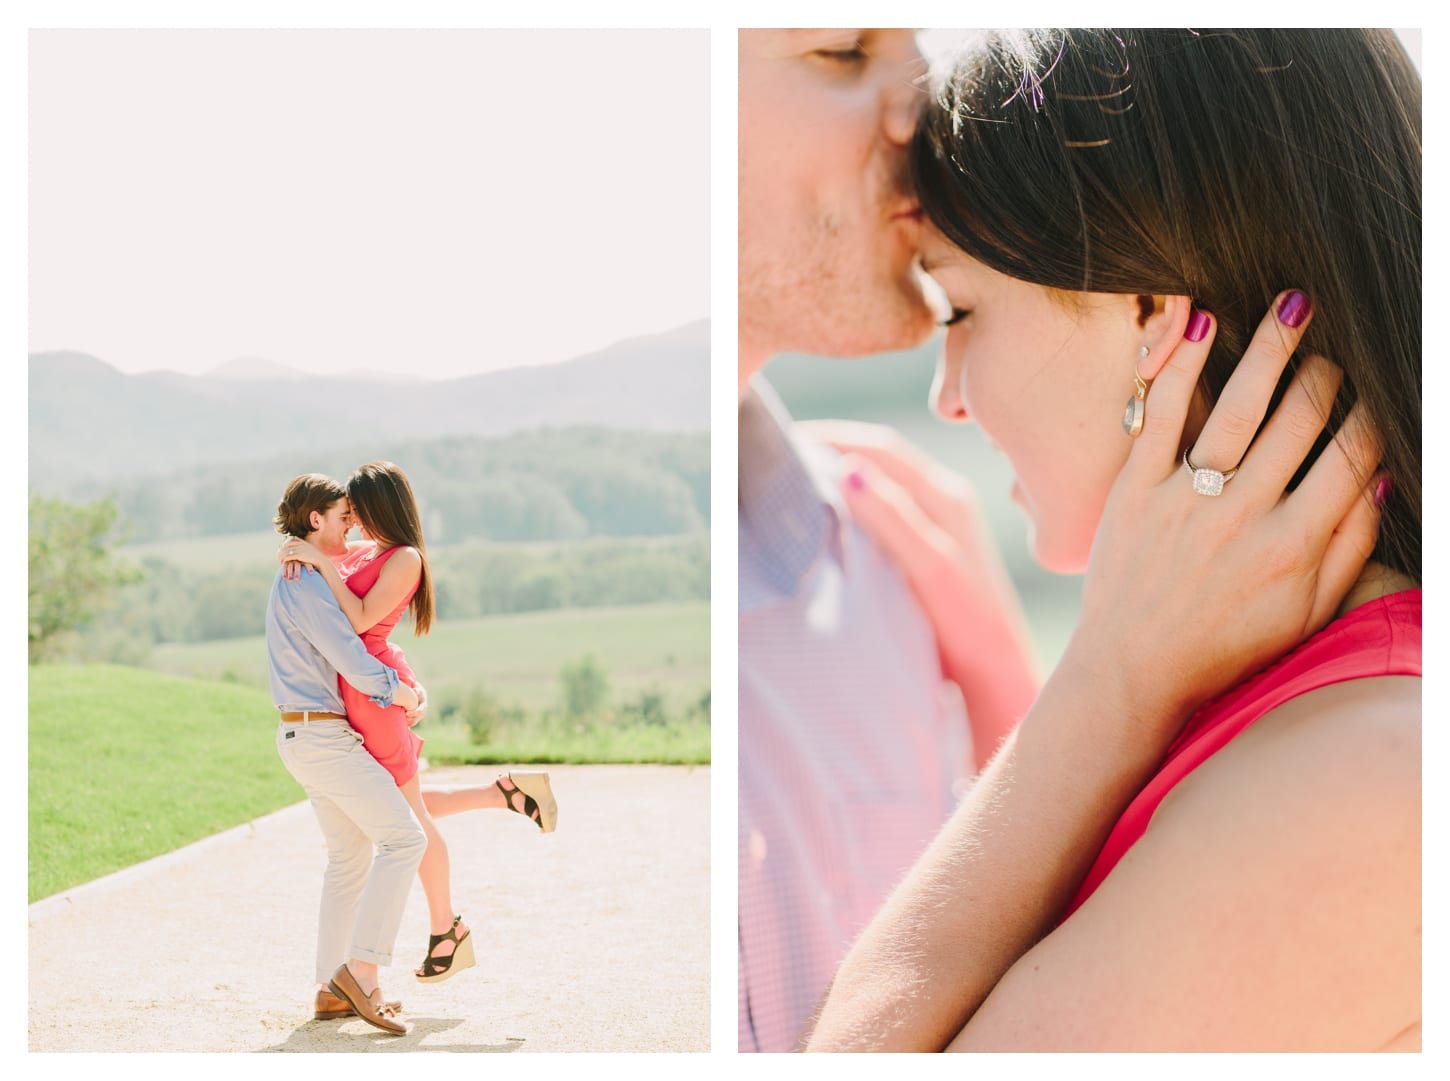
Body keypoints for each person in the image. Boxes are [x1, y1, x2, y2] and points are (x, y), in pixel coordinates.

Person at [738, 28, 1390, 1053]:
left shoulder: (1361, 778)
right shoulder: (1320, 715)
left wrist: (1106, 683)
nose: (944, 398)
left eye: (963, 309)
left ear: (1146, 318)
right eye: (836, 52)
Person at [279, 460, 558, 986]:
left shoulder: (405, 557)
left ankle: (444, 930)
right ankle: (505, 793)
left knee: (409, 822)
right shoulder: (373, 551)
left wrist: (316, 560)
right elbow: (340, 573)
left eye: (359, 512)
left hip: (372, 700)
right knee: (402, 806)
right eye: (348, 515)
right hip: (364, 690)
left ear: (381, 506)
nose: (354, 523)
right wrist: (310, 554)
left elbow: (361, 621)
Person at [267, 472, 425, 1036]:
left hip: (304, 735)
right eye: (342, 518)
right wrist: (404, 693)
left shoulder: (303, 571)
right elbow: (350, 656)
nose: (352, 526)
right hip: (321, 737)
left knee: (349, 860)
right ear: (316, 521)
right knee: (406, 838)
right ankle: (362, 972)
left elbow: (378, 552)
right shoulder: (306, 584)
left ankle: (330, 992)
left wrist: (310, 551)